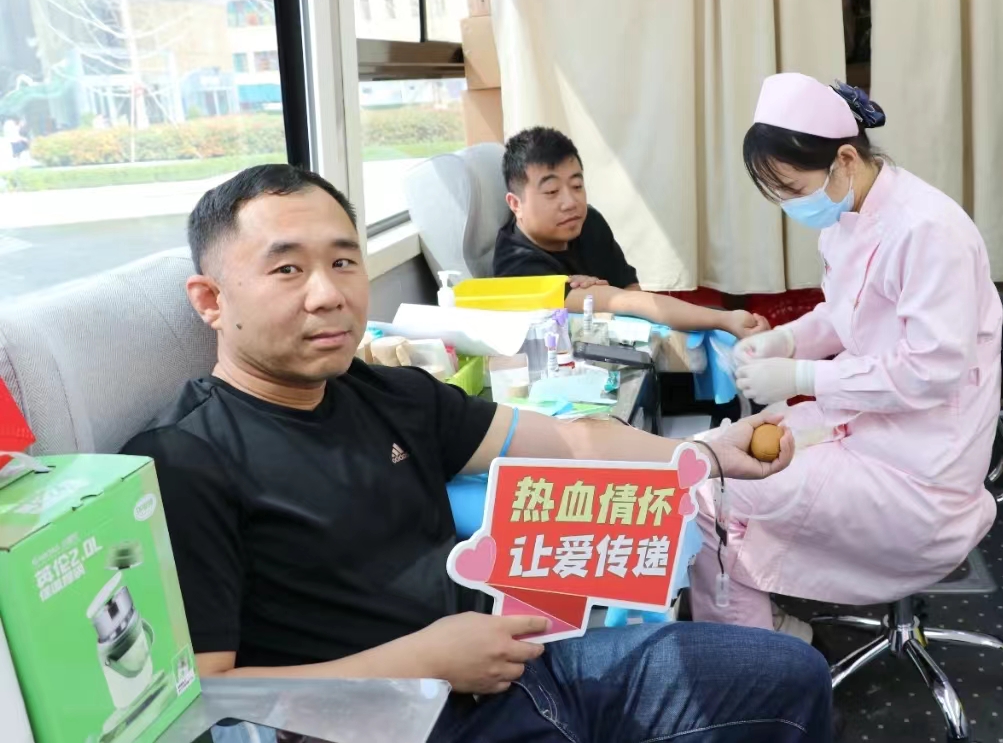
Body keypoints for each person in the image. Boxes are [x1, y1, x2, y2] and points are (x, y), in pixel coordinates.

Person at [121, 164, 833, 742]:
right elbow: (204, 694)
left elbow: (571, 438)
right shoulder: (184, 462)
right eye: (287, 270)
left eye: (343, 261)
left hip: (520, 668)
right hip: (392, 722)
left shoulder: (390, 394)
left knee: (789, 674)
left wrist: (704, 452)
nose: (328, 293)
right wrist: (422, 662)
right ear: (211, 300)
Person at [687, 74, 1001, 643]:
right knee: (709, 460)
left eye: (792, 188)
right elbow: (845, 312)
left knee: (707, 492)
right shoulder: (847, 216)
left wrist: (804, 374)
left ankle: (752, 663)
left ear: (846, 160)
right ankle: (764, 630)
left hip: (918, 471)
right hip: (866, 428)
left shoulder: (928, 231)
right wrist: (787, 341)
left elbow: (930, 371)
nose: (789, 205)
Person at [494, 126, 770, 339]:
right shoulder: (517, 268)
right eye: (552, 191)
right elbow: (629, 302)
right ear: (515, 204)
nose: (570, 202)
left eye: (577, 186)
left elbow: (630, 291)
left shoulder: (587, 222)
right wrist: (725, 320)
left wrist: (608, 296)